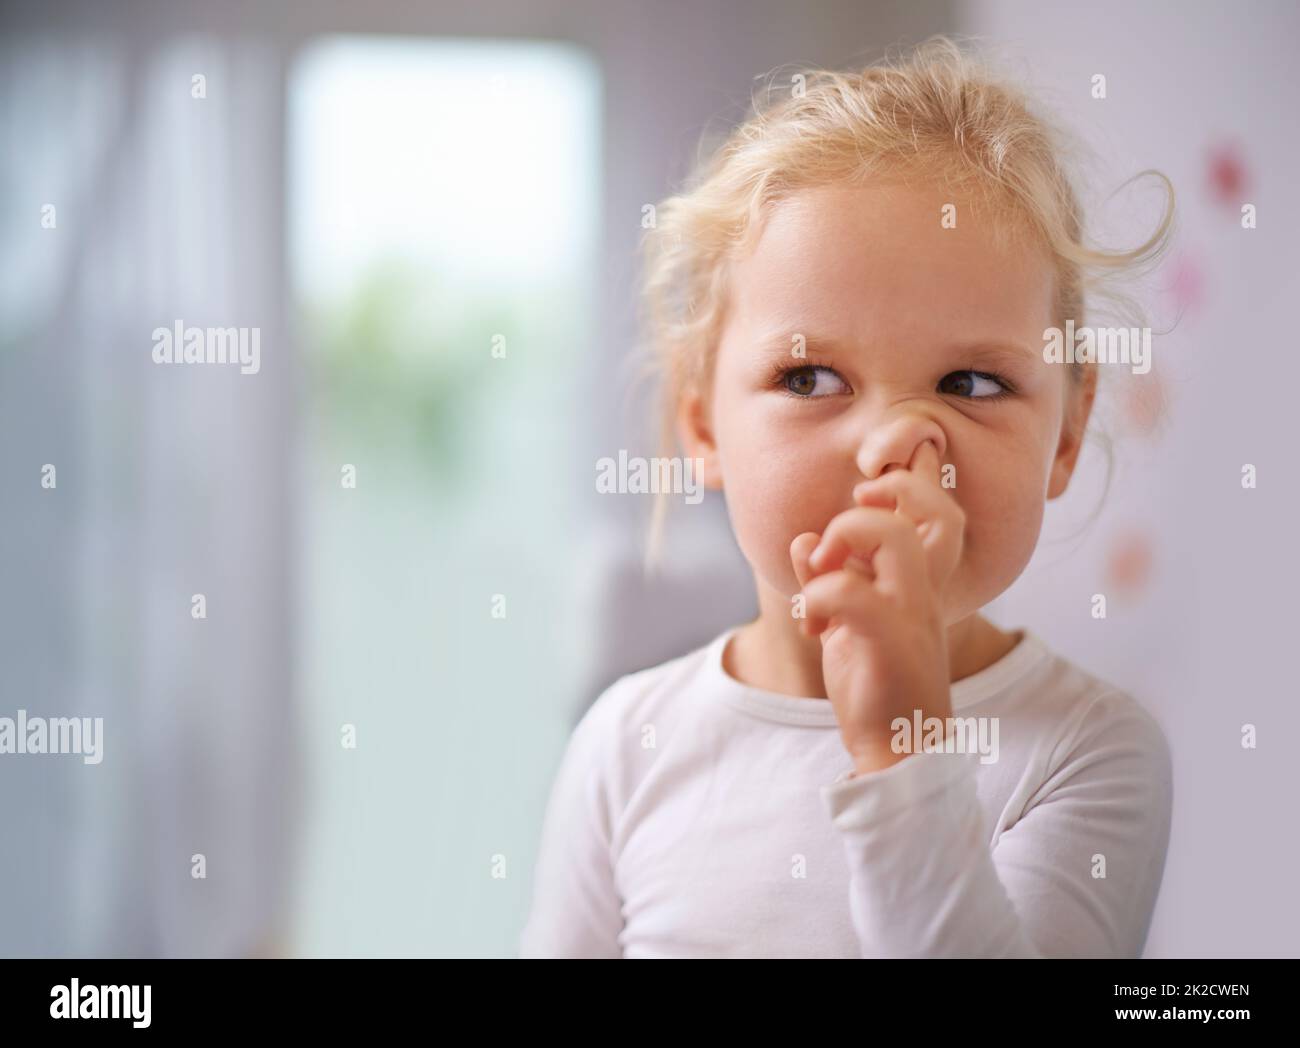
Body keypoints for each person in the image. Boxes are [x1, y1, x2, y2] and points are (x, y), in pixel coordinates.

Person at [520, 36, 1175, 958]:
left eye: (972, 384)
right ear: (702, 424)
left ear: (1064, 432)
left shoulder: (1088, 750)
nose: (895, 443)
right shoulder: (627, 746)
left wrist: (906, 752)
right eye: (810, 377)